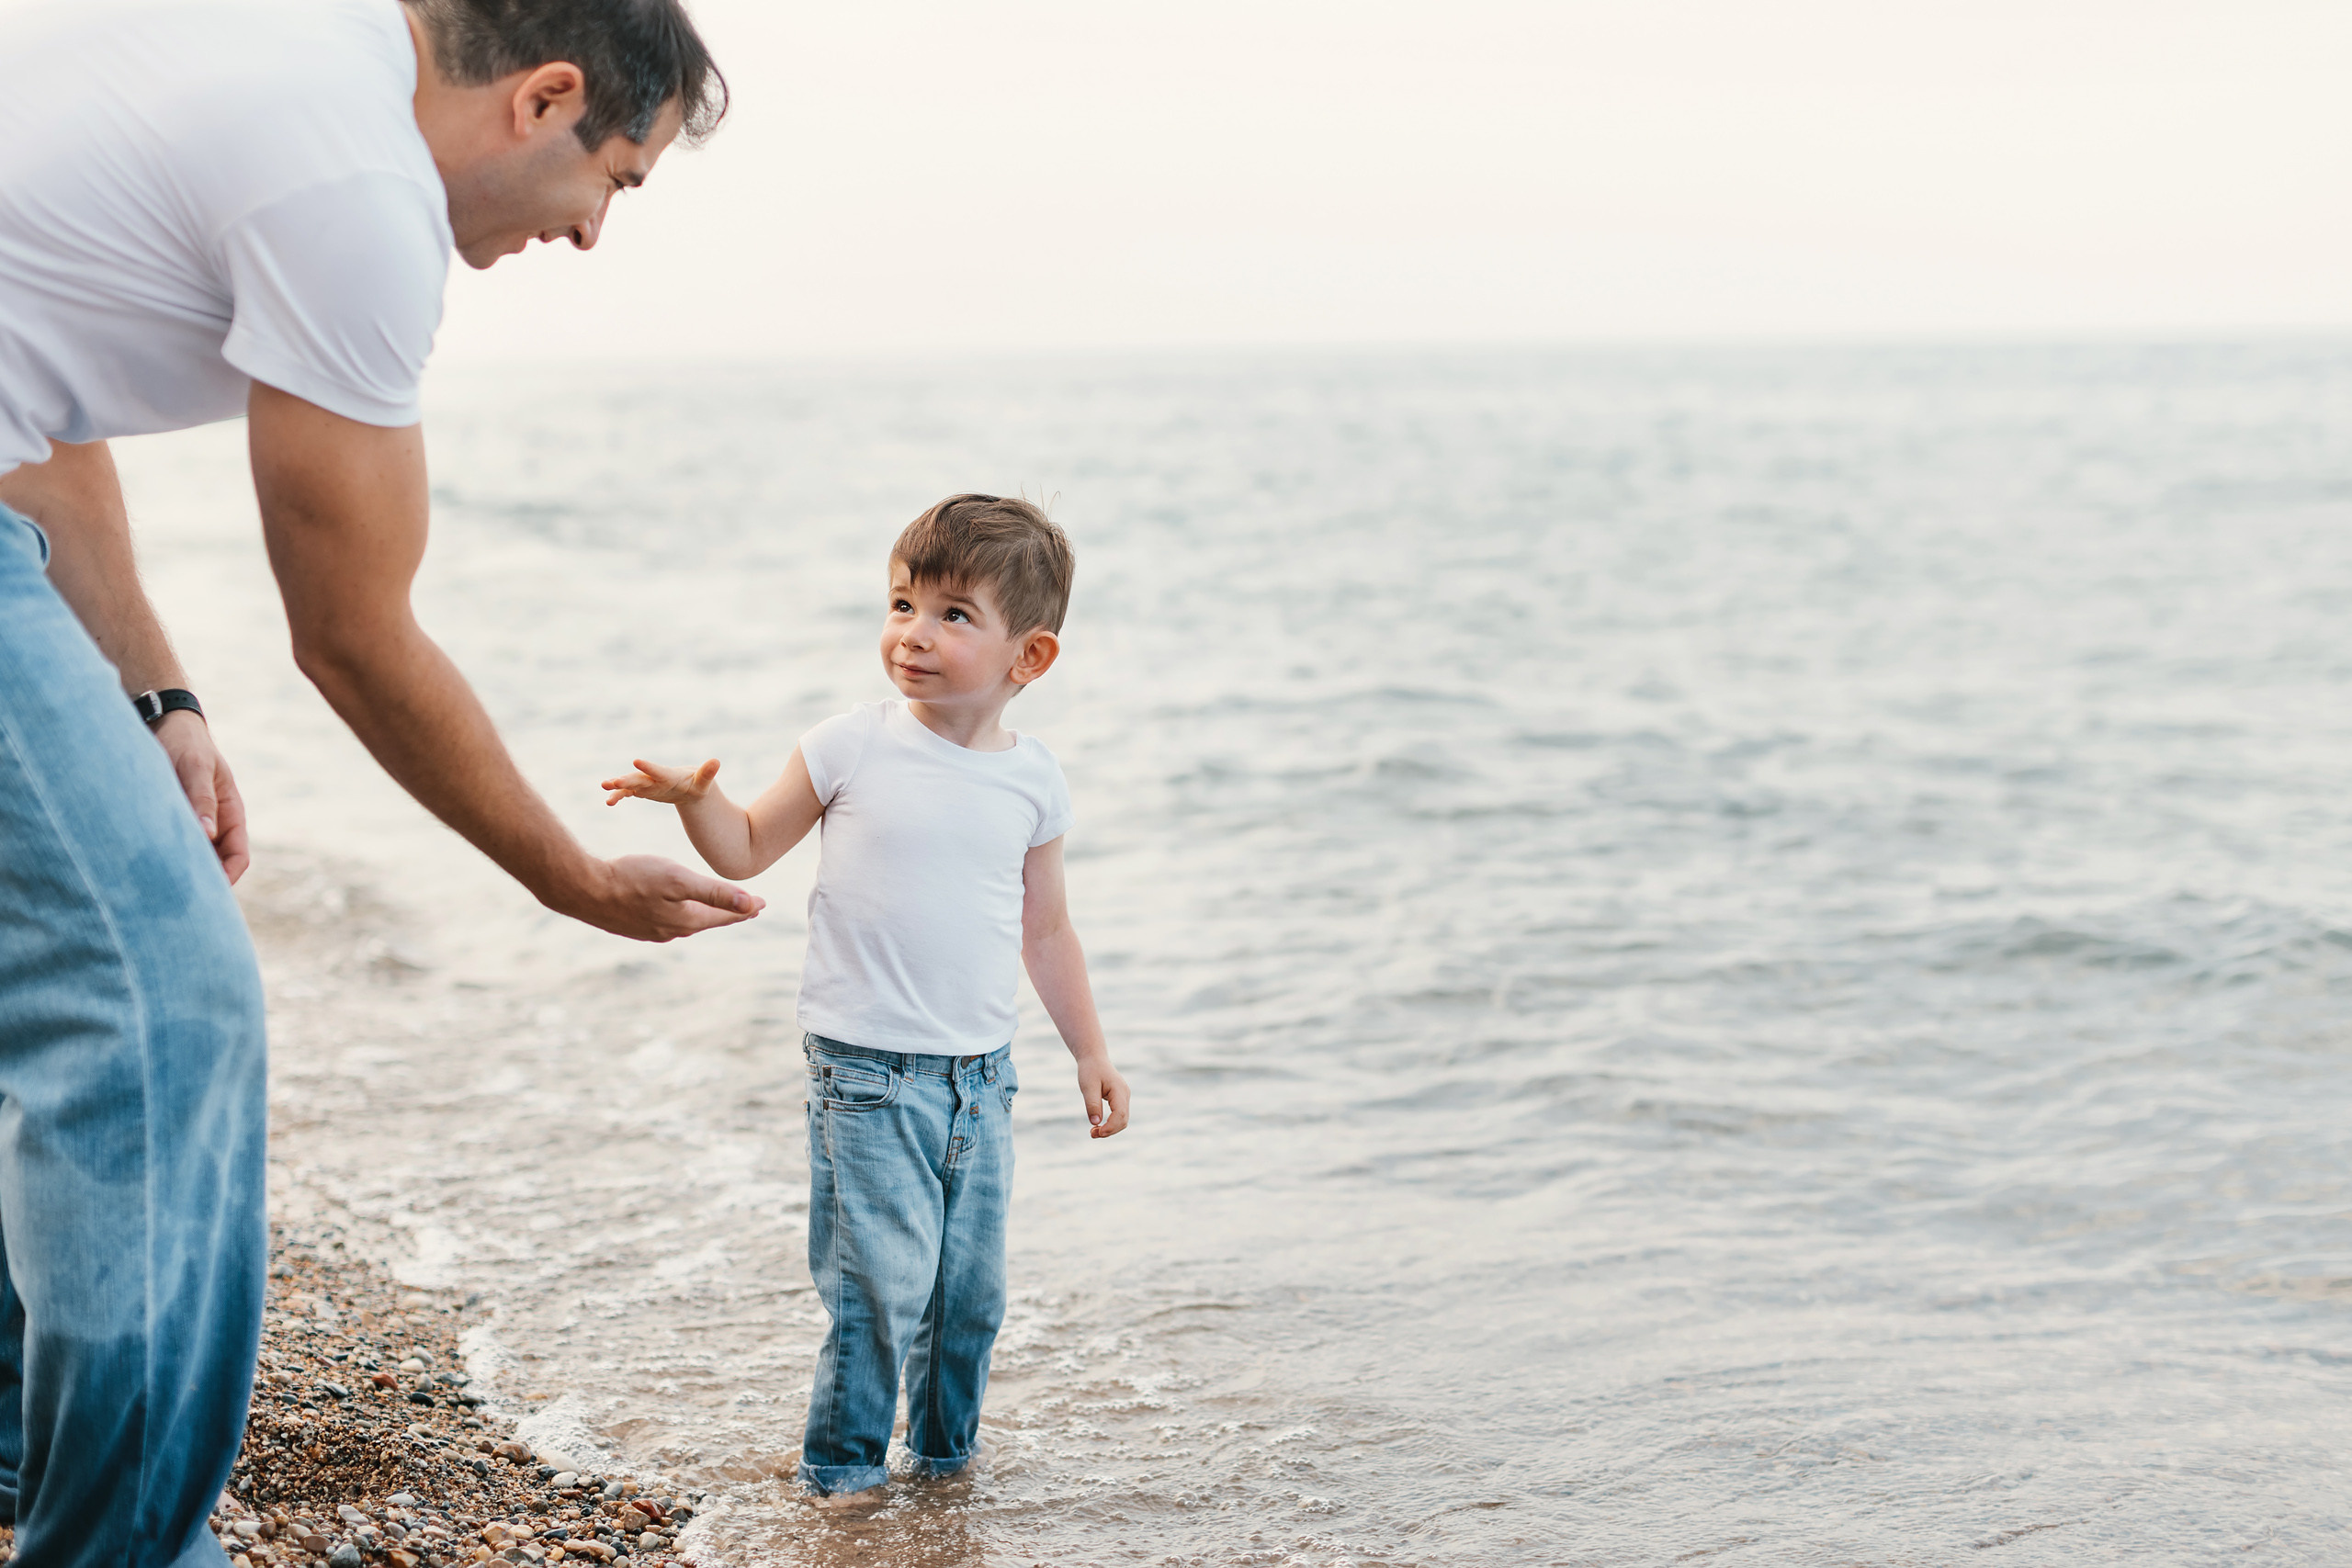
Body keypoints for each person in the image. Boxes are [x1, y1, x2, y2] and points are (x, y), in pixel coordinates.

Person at [0, 1, 757, 1562]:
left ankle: (22, 1447)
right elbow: (350, 637)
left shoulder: (262, 49)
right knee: (162, 1008)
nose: (597, 231)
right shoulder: (357, 191)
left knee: (51, 975)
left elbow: (35, 391)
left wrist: (152, 690)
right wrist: (571, 873)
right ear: (543, 99)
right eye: (616, 176)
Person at [601, 493, 1133, 1501]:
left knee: (968, 1299)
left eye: (952, 615)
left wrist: (1089, 1052)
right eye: (900, 604)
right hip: (867, 1075)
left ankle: (945, 1470)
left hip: (982, 1080)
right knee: (875, 1294)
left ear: (1031, 657)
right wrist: (695, 803)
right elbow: (750, 843)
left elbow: (1046, 928)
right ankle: (841, 1481)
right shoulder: (852, 743)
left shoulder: (1033, 782)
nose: (912, 634)